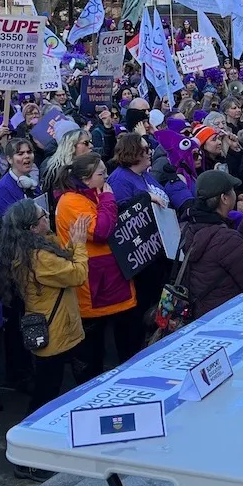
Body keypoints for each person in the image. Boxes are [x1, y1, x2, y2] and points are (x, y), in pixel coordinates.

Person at [0, 199, 90, 420]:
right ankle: (31, 430)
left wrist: (72, 246)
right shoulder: (39, 257)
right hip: (57, 331)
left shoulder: (31, 247)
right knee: (47, 391)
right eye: (42, 215)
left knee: (60, 382)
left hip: (56, 328)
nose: (47, 215)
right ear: (32, 227)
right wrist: (80, 244)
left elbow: (62, 267)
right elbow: (77, 274)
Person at [53, 153, 139, 379]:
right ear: (86, 178)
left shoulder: (91, 194)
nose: (106, 178)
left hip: (110, 279)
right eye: (101, 174)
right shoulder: (71, 201)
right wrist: (109, 200)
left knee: (127, 341)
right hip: (93, 286)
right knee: (92, 353)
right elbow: (101, 230)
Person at [182, 171, 243, 317]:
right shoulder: (224, 238)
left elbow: (230, 253)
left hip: (206, 312)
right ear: (224, 198)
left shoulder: (193, 227)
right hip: (231, 314)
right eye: (233, 191)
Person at [0, 138, 43, 218]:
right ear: (9, 159)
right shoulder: (3, 189)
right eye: (20, 153)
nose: (26, 156)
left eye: (29, 152)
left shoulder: (32, 181)